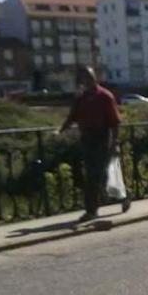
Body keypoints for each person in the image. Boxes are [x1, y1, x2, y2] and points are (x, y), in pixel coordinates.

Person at [56, 66, 130, 222]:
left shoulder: (105, 96)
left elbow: (114, 122)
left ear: (94, 78)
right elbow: (72, 117)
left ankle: (120, 198)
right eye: (83, 78)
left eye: (89, 77)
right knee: (92, 175)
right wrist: (61, 130)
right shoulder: (80, 98)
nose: (86, 81)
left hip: (102, 137)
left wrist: (115, 141)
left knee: (100, 174)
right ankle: (93, 209)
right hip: (87, 138)